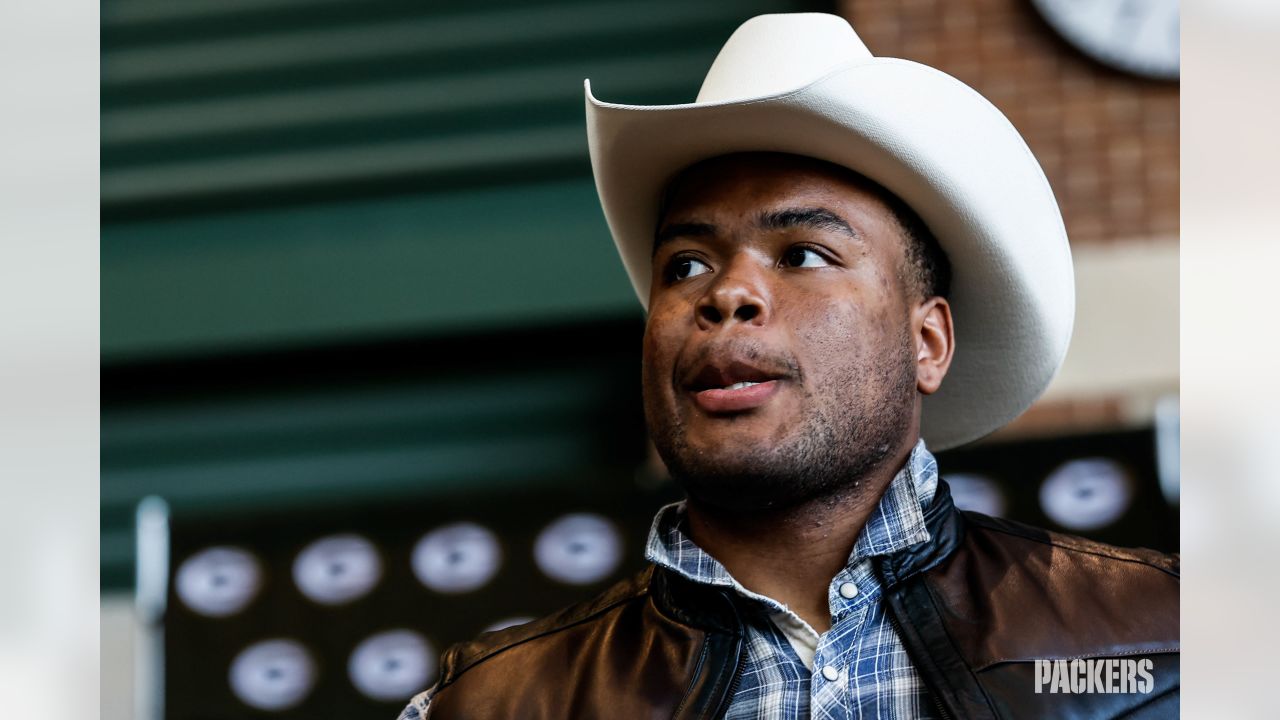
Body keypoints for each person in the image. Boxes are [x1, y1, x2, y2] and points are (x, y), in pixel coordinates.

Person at [399, 13, 1178, 719]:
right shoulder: (491, 708)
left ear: (928, 343)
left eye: (803, 253)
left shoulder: (1171, 647)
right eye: (684, 266)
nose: (727, 292)